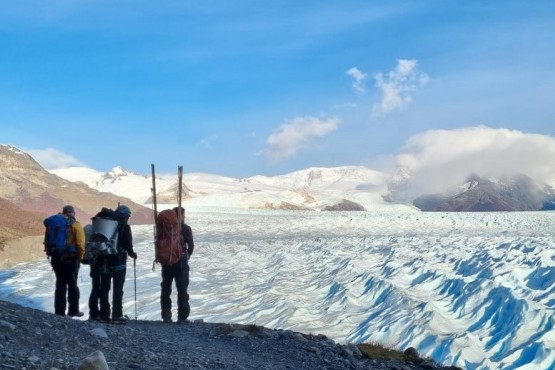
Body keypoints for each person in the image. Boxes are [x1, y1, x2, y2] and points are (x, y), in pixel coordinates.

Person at [98, 205, 138, 324]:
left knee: (104, 288)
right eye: (127, 216)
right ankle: (117, 315)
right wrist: (132, 254)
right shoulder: (124, 227)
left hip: (104, 260)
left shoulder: (106, 224)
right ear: (125, 216)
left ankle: (104, 316)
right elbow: (127, 244)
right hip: (119, 261)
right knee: (118, 289)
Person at [46, 205, 86, 317]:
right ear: (73, 213)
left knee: (60, 284)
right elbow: (80, 243)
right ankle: (73, 310)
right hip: (70, 259)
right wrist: (80, 256)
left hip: (56, 258)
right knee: (72, 285)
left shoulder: (54, 223)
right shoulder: (75, 225)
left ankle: (59, 312)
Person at [160, 206, 194, 323]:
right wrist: (186, 256)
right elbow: (191, 246)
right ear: (181, 216)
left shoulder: (164, 228)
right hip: (181, 264)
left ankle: (166, 315)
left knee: (166, 289)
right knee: (182, 289)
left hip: (166, 263)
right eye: (184, 215)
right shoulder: (185, 228)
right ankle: (182, 317)